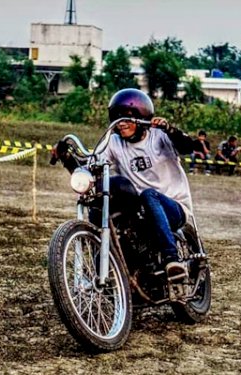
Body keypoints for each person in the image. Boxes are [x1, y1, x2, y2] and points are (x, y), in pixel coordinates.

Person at [54, 88, 195, 275]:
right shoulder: (113, 142)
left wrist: (169, 129)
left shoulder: (159, 135)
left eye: (127, 117)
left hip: (173, 207)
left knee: (148, 195)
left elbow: (187, 147)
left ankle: (172, 259)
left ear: (141, 116)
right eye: (118, 118)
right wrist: (67, 157)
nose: (121, 123)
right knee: (102, 199)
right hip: (141, 211)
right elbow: (90, 168)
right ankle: (113, 273)